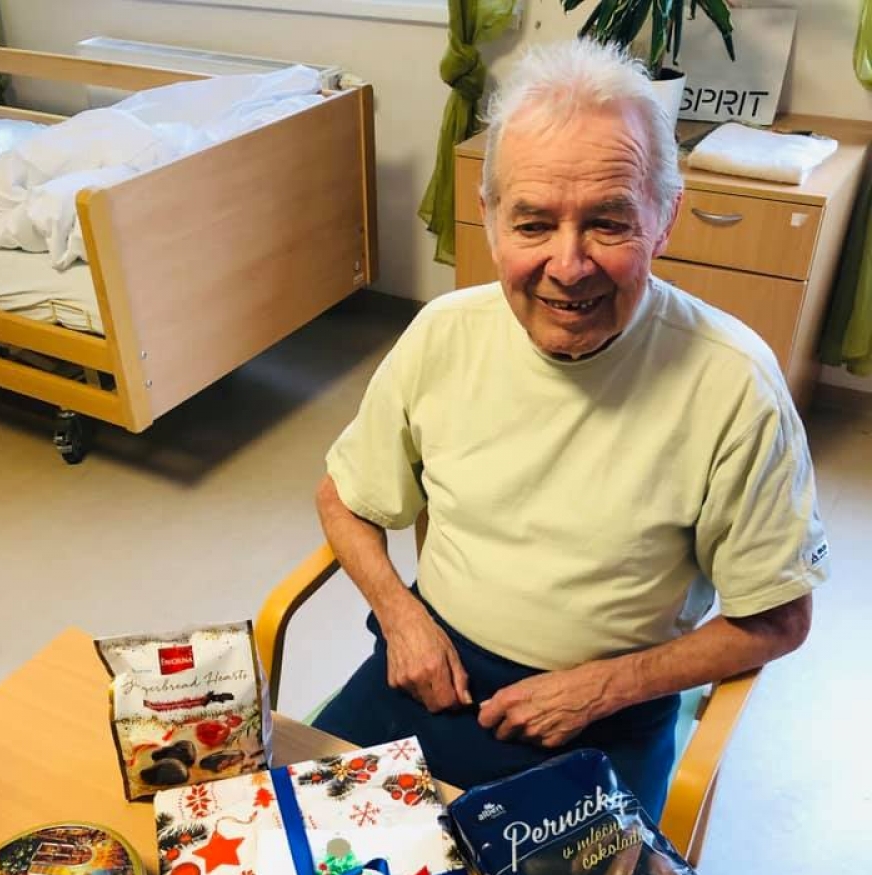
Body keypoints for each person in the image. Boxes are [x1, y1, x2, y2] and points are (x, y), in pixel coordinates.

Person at [310, 38, 829, 821]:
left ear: (664, 219)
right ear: (490, 219)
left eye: (608, 222)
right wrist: (400, 614)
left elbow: (779, 619)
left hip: (606, 713)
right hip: (429, 671)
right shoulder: (443, 333)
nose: (569, 264)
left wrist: (603, 688)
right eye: (532, 223)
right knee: (284, 860)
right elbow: (343, 496)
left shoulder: (733, 384)